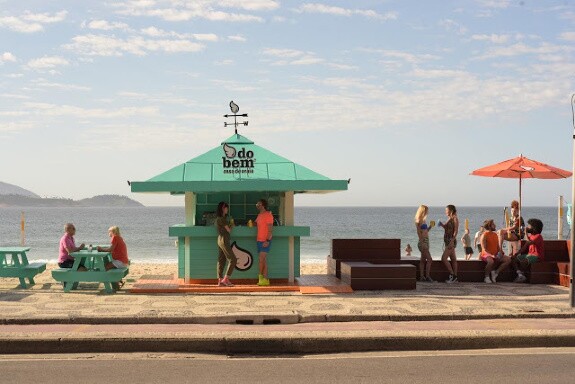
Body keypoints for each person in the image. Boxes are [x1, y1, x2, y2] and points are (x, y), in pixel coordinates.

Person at [511, 218, 545, 283]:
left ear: (534, 227)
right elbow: (524, 247)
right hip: (529, 255)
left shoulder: (538, 236)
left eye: (529, 226)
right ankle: (520, 274)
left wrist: (526, 232)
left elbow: (528, 242)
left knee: (523, 261)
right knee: (514, 259)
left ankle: (523, 275)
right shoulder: (531, 236)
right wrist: (516, 253)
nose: (527, 227)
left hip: (537, 256)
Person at [214, 202, 237, 287]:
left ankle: (220, 280)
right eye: (226, 208)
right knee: (233, 259)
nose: (227, 209)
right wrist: (232, 224)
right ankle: (226, 279)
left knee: (221, 260)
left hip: (219, 239)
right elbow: (229, 230)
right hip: (224, 239)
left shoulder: (218, 218)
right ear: (223, 209)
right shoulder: (222, 219)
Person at [256, 199, 274, 286]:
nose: (257, 205)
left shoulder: (268, 215)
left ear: (263, 205)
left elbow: (270, 230)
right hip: (259, 240)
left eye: (258, 203)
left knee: (261, 259)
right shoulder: (259, 215)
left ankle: (260, 278)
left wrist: (267, 241)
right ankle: (266, 279)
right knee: (263, 260)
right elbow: (258, 225)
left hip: (265, 241)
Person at [439, 204, 459, 283]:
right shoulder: (449, 218)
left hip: (450, 241)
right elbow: (446, 228)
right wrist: (441, 225)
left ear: (451, 210)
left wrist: (451, 241)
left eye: (446, 210)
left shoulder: (455, 218)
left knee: (443, 258)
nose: (445, 212)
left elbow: (456, 231)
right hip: (448, 241)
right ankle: (455, 277)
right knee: (453, 259)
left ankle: (452, 275)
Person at [415, 205, 434, 282]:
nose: (427, 212)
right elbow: (419, 232)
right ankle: (427, 276)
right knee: (429, 259)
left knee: (423, 260)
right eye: (426, 210)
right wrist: (422, 242)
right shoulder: (418, 220)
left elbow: (425, 231)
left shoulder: (424, 220)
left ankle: (422, 277)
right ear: (423, 211)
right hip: (422, 241)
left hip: (426, 240)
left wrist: (430, 226)